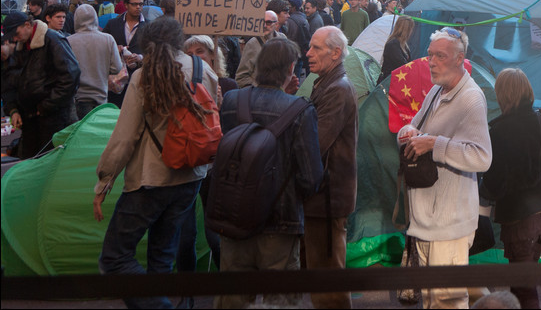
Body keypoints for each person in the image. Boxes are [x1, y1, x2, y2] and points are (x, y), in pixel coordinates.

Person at [93, 17, 220, 310]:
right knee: (162, 257)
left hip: (150, 178)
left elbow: (125, 137)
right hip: (191, 176)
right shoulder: (203, 69)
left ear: (146, 43)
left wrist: (104, 180)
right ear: (180, 40)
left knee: (114, 259)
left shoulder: (144, 75)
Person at [213, 40, 323, 310]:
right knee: (282, 301)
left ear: (258, 66)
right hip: (281, 220)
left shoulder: (230, 101)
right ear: (290, 69)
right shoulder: (300, 110)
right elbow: (311, 178)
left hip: (233, 217)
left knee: (232, 299)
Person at [398, 27, 492, 309]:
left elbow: (482, 157)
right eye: (430, 55)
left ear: (459, 59)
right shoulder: (438, 90)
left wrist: (434, 144)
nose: (432, 61)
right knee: (431, 301)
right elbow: (417, 127)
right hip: (427, 221)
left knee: (447, 303)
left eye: (441, 55)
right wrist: (407, 132)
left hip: (449, 225)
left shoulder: (471, 99)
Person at [481, 68, 541, 309]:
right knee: (521, 285)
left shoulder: (499, 132)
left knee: (524, 288)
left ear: (502, 95)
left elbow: (494, 185)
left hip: (520, 221)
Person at [304, 27, 360, 309]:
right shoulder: (326, 82)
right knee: (322, 275)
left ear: (336, 53)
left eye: (315, 48)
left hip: (327, 198)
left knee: (329, 281)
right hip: (324, 196)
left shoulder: (337, 88)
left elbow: (315, 144)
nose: (308, 54)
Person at [3, 10, 81, 158]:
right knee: (31, 160)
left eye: (16, 32)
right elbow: (10, 81)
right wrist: (13, 109)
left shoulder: (52, 39)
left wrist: (47, 105)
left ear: (27, 24)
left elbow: (71, 76)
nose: (14, 37)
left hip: (52, 117)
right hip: (30, 118)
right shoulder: (21, 46)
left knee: (48, 160)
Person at [69, 4, 126, 119]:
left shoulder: (69, 41)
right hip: (101, 97)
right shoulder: (107, 39)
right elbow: (117, 68)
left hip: (79, 97)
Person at [235, 10, 288, 89]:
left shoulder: (283, 39)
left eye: (268, 22)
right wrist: (259, 88)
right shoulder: (252, 44)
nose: (264, 25)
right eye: (262, 22)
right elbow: (241, 77)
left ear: (276, 24)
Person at [379, 14, 416, 84]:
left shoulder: (403, 44)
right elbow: (402, 65)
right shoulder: (393, 45)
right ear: (406, 30)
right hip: (390, 82)